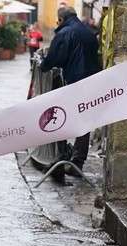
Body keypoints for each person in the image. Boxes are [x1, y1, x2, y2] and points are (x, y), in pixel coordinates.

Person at [40, 6, 100, 176]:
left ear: (61, 19)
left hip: (74, 82)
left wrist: (44, 65)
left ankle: (61, 157)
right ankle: (77, 161)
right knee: (84, 121)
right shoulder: (88, 32)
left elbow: (54, 58)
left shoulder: (65, 33)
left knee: (62, 117)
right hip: (92, 82)